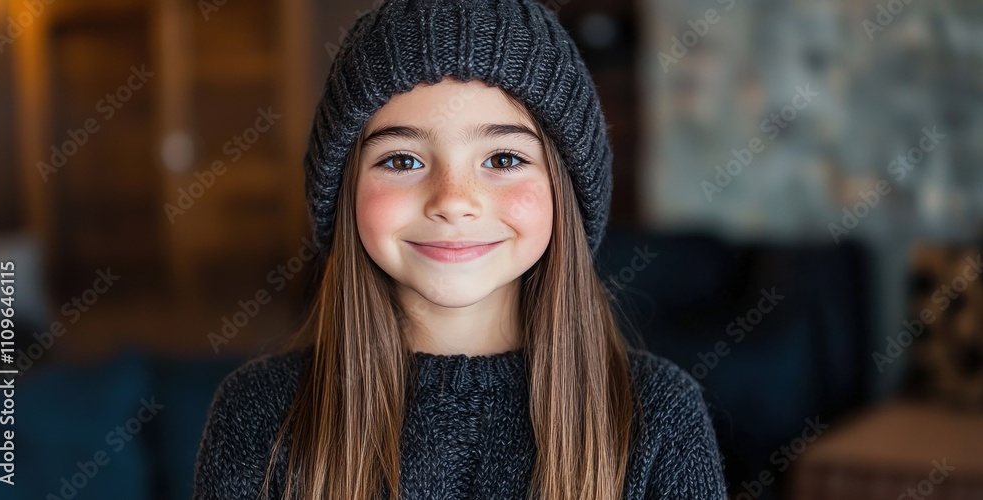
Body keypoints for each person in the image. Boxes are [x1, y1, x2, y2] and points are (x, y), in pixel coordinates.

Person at [193, 0, 727, 498]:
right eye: (402, 161)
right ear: (344, 192)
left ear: (565, 191)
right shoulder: (259, 414)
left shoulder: (659, 416)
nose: (453, 201)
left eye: (503, 160)